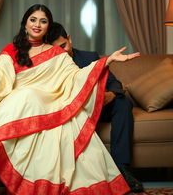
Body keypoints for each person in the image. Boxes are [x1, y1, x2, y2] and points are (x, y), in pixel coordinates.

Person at [0, 4, 140, 195]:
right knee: (24, 94)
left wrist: (106, 61)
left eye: (43, 21)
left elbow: (76, 77)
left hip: (50, 102)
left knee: (29, 95)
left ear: (48, 26)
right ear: (25, 23)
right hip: (20, 103)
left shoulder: (57, 54)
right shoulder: (12, 50)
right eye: (33, 19)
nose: (37, 24)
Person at [47, 22, 144, 193]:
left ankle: (122, 169)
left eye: (64, 45)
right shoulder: (49, 67)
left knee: (123, 102)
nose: (62, 52)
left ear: (69, 39)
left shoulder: (89, 56)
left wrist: (110, 95)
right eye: (56, 50)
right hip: (72, 115)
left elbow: (114, 83)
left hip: (98, 108)